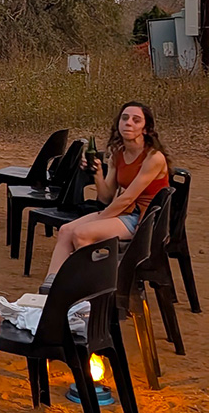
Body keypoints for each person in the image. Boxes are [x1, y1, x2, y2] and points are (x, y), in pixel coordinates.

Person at [44, 102, 170, 280]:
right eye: (124, 118)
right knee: (65, 231)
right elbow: (106, 197)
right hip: (124, 212)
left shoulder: (153, 157)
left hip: (145, 219)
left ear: (146, 129)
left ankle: (93, 287)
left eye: (136, 120)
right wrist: (97, 174)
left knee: (82, 234)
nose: (128, 123)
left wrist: (100, 218)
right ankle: (50, 287)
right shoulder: (118, 153)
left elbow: (127, 198)